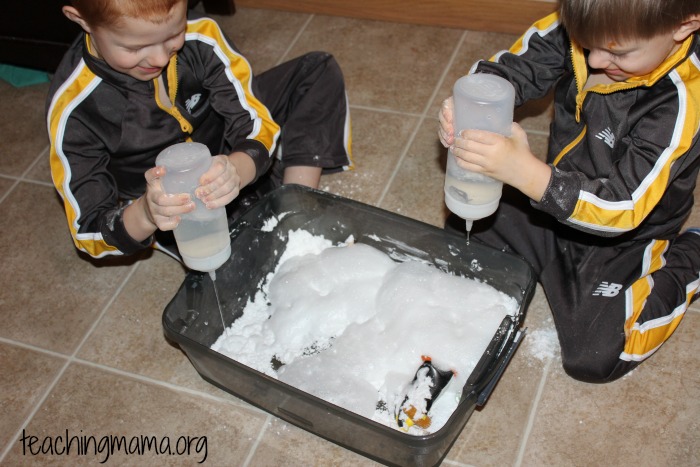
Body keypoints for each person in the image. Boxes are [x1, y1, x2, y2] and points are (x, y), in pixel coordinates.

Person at [438, 0, 700, 383]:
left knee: (595, 357)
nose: (594, 61)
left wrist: (526, 174)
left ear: (684, 26)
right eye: (585, 43)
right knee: (465, 226)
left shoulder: (679, 102)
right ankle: (546, 258)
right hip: (551, 202)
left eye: (616, 51)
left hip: (623, 237)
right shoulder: (589, 23)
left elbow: (622, 206)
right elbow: (510, 69)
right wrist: (470, 103)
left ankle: (689, 258)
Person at [47, 0, 352, 260]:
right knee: (235, 264)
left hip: (225, 147)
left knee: (316, 71)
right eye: (135, 47)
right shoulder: (75, 108)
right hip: (174, 205)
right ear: (80, 20)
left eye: (174, 34)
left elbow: (253, 118)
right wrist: (147, 213)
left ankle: (295, 204)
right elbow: (88, 231)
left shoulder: (202, 37)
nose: (160, 58)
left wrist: (238, 166)